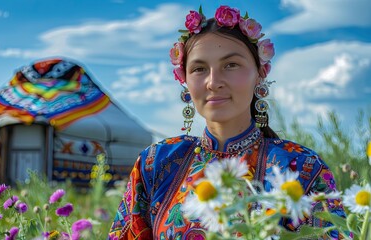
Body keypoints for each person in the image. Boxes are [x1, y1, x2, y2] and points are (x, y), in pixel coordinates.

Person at [108, 4, 347, 239]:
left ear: (260, 73)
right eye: (199, 68)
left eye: (231, 65)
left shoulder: (302, 168)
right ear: (186, 82)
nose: (213, 82)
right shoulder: (156, 163)